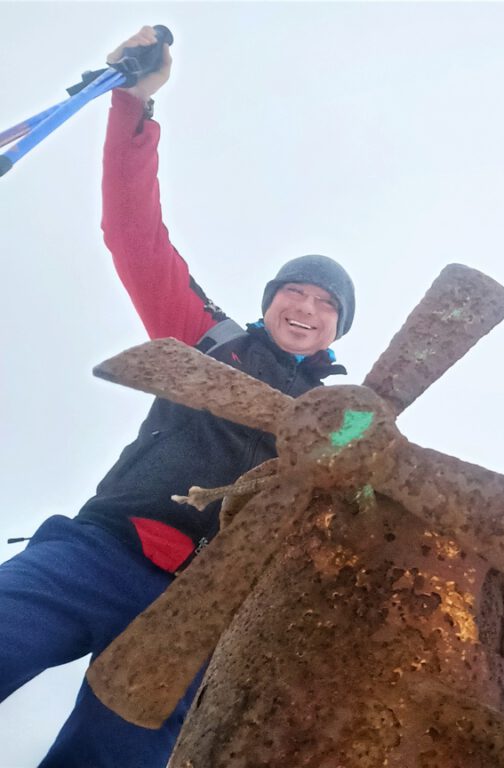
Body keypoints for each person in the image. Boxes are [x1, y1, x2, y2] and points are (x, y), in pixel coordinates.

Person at [0, 27, 356, 767]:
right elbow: (135, 234)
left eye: (326, 303)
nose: (306, 304)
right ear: (269, 302)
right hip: (98, 551)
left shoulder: (344, 425)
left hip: (199, 610)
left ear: (335, 330)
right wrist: (132, 102)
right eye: (294, 289)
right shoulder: (209, 337)